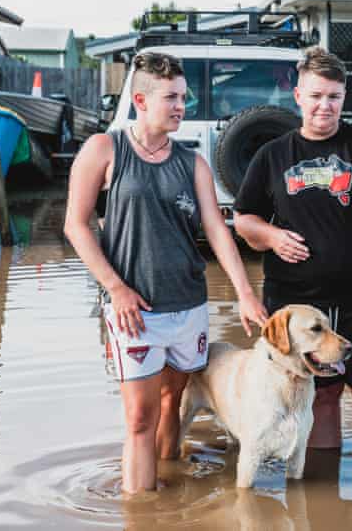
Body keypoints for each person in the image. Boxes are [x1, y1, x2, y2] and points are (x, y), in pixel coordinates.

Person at [64, 52, 267, 494]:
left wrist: (246, 294)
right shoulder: (104, 149)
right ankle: (141, 510)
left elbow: (217, 232)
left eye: (183, 98)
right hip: (133, 310)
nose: (182, 107)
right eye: (172, 98)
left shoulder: (192, 164)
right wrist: (115, 288)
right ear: (141, 98)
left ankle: (169, 488)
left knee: (172, 400)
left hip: (188, 307)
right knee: (140, 417)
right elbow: (75, 226)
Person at [234, 46, 352, 455]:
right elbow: (243, 219)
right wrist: (271, 237)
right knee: (317, 399)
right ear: (298, 96)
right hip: (299, 305)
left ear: (344, 97)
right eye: (316, 96)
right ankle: (320, 506)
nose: (325, 106)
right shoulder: (272, 155)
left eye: (334, 97)